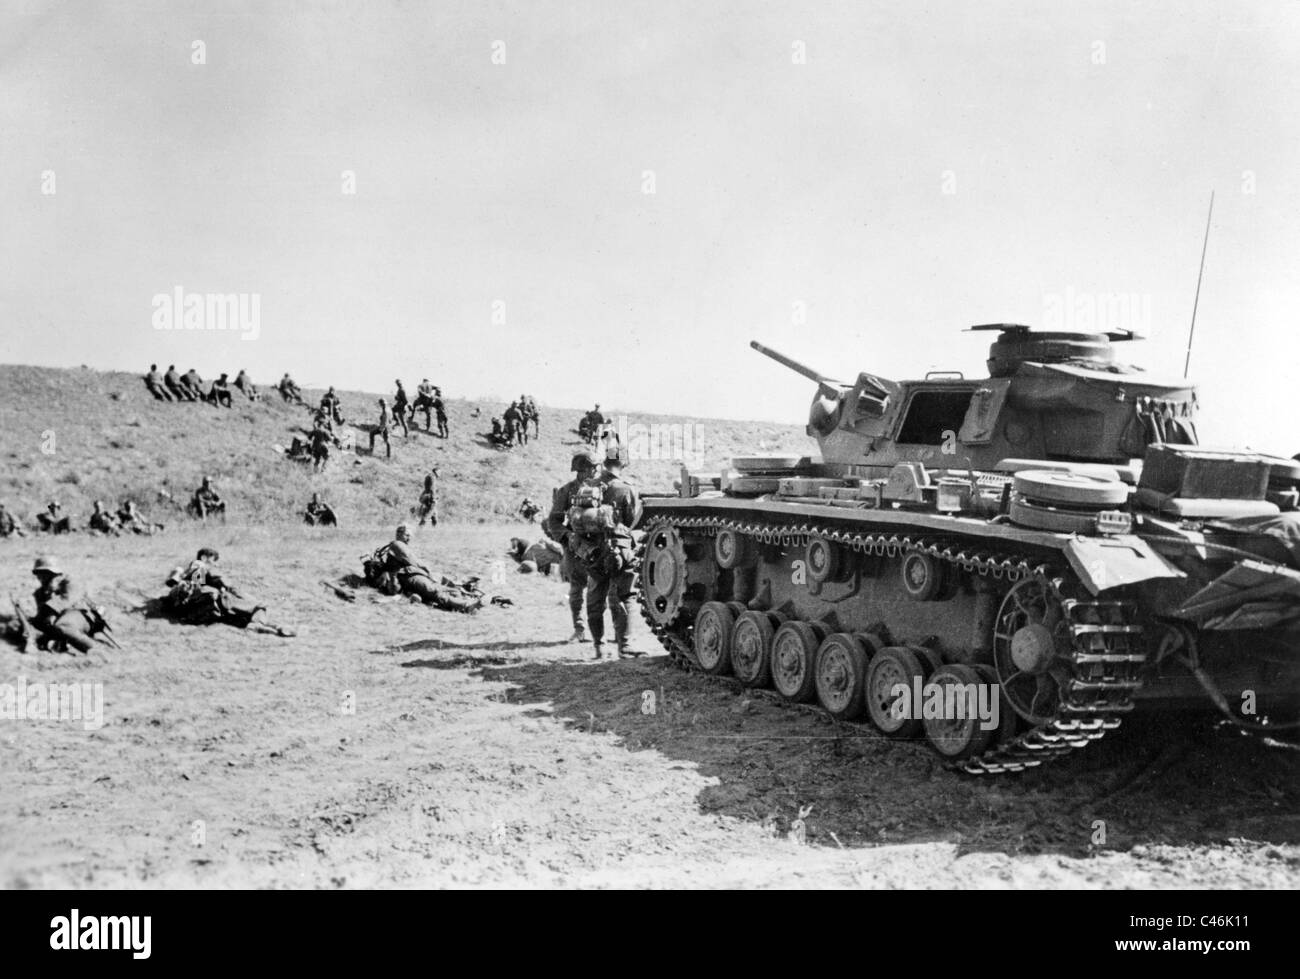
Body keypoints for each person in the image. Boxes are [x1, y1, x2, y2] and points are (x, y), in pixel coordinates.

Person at [581, 445, 642, 658]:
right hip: (620, 550)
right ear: (624, 463)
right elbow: (631, 520)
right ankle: (624, 647)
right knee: (626, 596)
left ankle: (599, 647)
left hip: (594, 551)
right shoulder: (627, 488)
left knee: (595, 598)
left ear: (604, 462)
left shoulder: (588, 485)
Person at [544, 449, 601, 648]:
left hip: (599, 545)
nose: (595, 471)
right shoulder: (566, 491)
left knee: (605, 588)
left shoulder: (603, 488)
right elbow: (554, 520)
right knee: (577, 587)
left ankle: (602, 632)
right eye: (591, 468)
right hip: (574, 545)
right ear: (580, 470)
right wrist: (567, 536)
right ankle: (579, 628)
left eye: (596, 467)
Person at [164, 548, 293, 634]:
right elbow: (203, 581)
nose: (215, 564)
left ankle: (266, 626)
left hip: (201, 607)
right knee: (259, 605)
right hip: (207, 602)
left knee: (252, 610)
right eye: (213, 561)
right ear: (203, 557)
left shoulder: (190, 571)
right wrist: (225, 586)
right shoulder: (199, 564)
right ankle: (267, 625)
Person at [363, 524, 482, 612]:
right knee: (433, 591)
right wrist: (428, 571)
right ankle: (466, 606)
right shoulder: (397, 544)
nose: (409, 538)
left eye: (410, 536)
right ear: (399, 534)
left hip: (413, 577)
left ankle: (450, 605)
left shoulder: (398, 546)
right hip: (409, 576)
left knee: (452, 591)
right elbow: (412, 560)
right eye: (406, 535)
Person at [30, 556, 102, 653]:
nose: (40, 578)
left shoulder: (71, 583)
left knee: (63, 626)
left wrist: (48, 612)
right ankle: (59, 643)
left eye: (44, 573)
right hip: (62, 619)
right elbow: (42, 618)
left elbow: (66, 601)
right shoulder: (41, 592)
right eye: (38, 574)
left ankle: (93, 649)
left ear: (53, 573)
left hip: (82, 615)